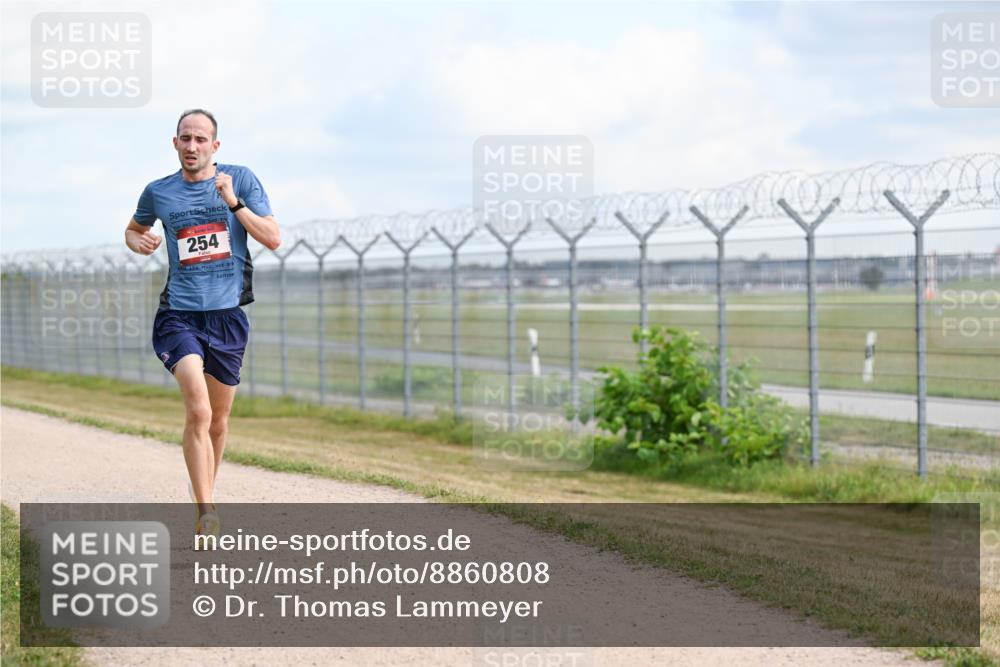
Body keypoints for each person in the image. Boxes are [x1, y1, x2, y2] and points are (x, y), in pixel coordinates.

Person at [125, 109, 280, 538]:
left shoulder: (241, 179)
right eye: (185, 138)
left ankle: (205, 497)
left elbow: (272, 237)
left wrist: (232, 201)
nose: (192, 146)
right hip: (179, 314)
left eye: (200, 139)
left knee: (218, 422)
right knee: (198, 409)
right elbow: (133, 229)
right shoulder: (159, 192)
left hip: (228, 316)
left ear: (215, 146)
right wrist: (140, 241)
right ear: (174, 143)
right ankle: (207, 511)